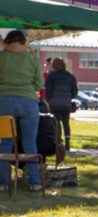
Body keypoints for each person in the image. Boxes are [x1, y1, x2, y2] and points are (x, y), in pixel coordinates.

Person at [0, 30, 44, 193]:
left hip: (3, 101)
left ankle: (3, 183)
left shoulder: (1, 57)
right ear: (23, 41)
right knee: (29, 142)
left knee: (4, 143)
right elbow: (39, 83)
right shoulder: (32, 57)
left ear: (7, 41)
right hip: (28, 102)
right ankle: (34, 182)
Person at [45, 57, 78, 151]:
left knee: (57, 123)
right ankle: (67, 144)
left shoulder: (51, 76)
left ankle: (59, 142)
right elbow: (75, 91)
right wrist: (69, 97)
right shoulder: (70, 76)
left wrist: (48, 100)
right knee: (66, 123)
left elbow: (48, 90)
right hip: (66, 103)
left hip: (54, 103)